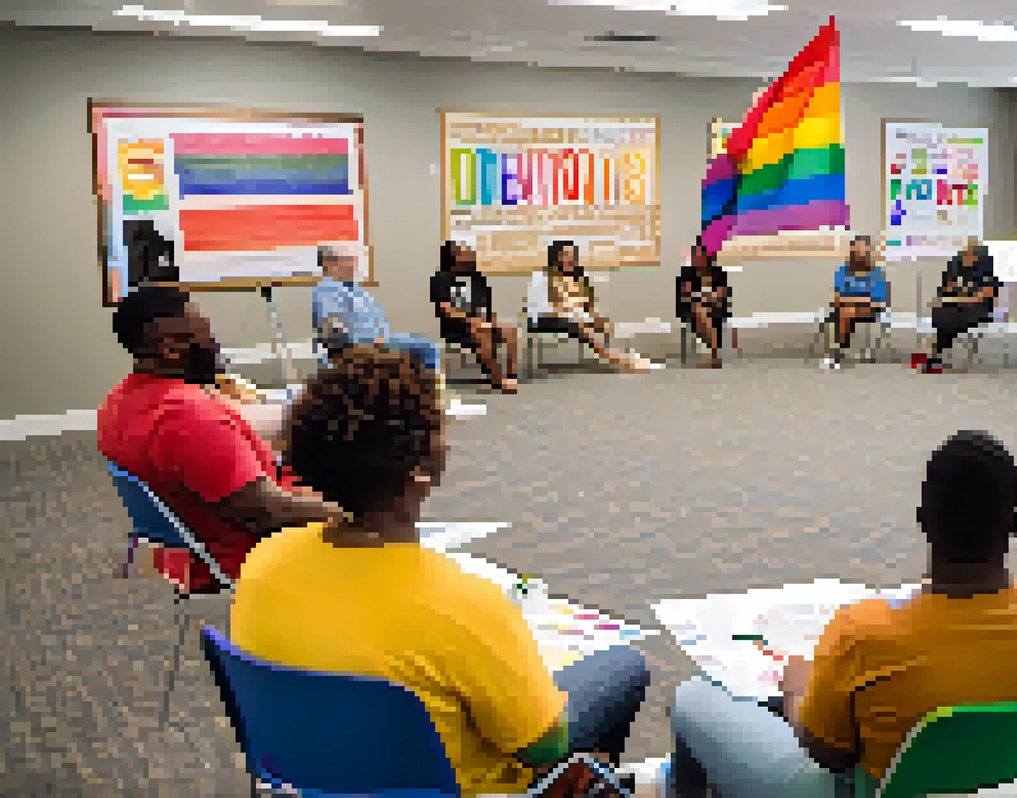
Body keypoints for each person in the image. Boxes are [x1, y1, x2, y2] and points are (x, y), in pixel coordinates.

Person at [230, 346, 652, 796]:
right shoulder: (463, 603)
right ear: (421, 470)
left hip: (309, 777)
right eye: (439, 427)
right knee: (621, 666)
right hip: (463, 788)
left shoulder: (264, 561)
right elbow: (544, 747)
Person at [667, 431, 1017, 798]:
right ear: (1013, 525)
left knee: (693, 696)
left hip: (862, 789)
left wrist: (796, 692)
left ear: (922, 520)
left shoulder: (865, 631)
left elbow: (828, 753)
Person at [98, 286, 343, 593]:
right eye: (206, 334)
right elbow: (266, 513)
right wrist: (355, 515)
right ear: (170, 349)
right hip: (255, 554)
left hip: (191, 547)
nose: (215, 345)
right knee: (384, 514)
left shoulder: (118, 401)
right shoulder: (188, 418)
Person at [313, 243, 443, 373]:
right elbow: (333, 329)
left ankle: (425, 382)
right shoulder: (327, 289)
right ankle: (431, 383)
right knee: (426, 348)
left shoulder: (354, 288)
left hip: (381, 339)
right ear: (328, 263)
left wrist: (380, 334)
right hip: (364, 344)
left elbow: (376, 315)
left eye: (353, 260)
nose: (352, 265)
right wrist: (366, 342)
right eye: (346, 260)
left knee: (425, 343)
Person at [529, 241, 654, 372]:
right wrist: (575, 315)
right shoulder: (543, 277)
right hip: (545, 319)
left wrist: (596, 318)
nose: (570, 259)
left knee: (603, 324)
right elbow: (544, 309)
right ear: (556, 258)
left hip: (572, 317)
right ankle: (620, 360)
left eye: (572, 255)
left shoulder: (579, 278)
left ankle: (622, 354)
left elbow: (588, 305)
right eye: (566, 255)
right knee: (583, 327)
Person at [430, 241, 519, 394]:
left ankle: (511, 375)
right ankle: (497, 378)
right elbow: (446, 311)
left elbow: (486, 306)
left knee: (510, 331)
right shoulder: (441, 279)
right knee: (481, 332)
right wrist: (471, 319)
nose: (470, 255)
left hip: (482, 322)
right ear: (453, 257)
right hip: (457, 327)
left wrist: (492, 320)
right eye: (464, 253)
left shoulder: (477, 278)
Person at [920, 241, 1000, 374]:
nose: (967, 257)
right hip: (956, 306)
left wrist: (965, 294)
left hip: (977, 309)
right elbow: (946, 289)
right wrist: (960, 294)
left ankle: (935, 354)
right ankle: (936, 354)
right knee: (942, 312)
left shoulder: (986, 269)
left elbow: (985, 293)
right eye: (965, 254)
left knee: (948, 317)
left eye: (971, 254)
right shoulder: (955, 267)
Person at [823, 235, 891, 369]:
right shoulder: (843, 272)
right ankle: (838, 349)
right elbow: (838, 298)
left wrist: (853, 300)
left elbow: (877, 302)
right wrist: (862, 299)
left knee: (845, 312)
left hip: (870, 311)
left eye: (863, 250)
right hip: (845, 309)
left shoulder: (877, 273)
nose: (860, 253)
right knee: (841, 313)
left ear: (869, 252)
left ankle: (838, 350)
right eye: (857, 250)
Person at [677, 239, 731, 369]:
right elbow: (686, 294)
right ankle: (714, 354)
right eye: (695, 256)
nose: (697, 259)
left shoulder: (718, 273)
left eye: (700, 256)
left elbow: (721, 294)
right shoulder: (687, 273)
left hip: (714, 307)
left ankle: (713, 354)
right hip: (692, 307)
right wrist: (704, 299)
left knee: (704, 312)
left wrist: (706, 300)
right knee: (699, 310)